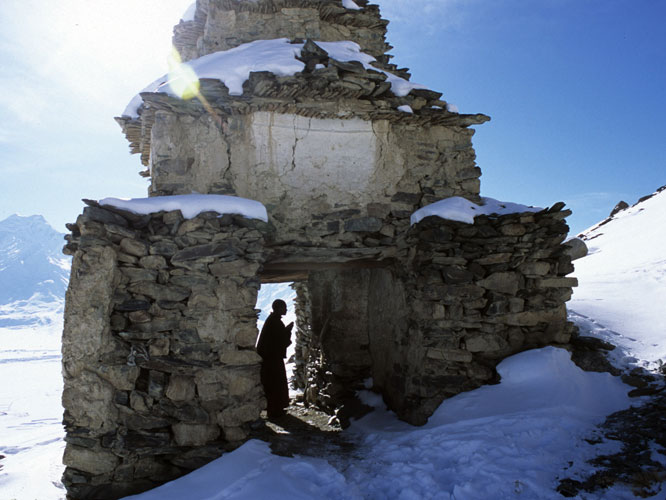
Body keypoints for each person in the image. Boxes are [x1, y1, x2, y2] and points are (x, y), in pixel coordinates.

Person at [256, 299, 293, 418]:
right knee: (275, 383)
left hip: (270, 358)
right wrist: (287, 331)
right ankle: (275, 410)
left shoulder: (272, 321)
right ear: (278, 308)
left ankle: (276, 408)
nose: (286, 309)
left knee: (273, 383)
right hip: (272, 359)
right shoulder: (275, 322)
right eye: (284, 307)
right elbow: (280, 341)